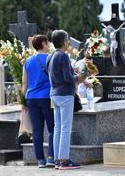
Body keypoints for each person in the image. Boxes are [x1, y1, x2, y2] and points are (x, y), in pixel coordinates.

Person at [47, 30, 84, 170]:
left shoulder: (50, 56)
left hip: (54, 94)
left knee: (57, 128)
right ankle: (64, 161)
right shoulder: (63, 56)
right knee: (65, 128)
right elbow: (67, 79)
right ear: (64, 42)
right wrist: (78, 78)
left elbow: (51, 73)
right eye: (67, 40)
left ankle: (57, 160)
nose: (68, 42)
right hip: (64, 94)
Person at [22, 35, 54, 168]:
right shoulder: (49, 59)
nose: (49, 45)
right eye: (47, 42)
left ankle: (40, 160)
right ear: (43, 43)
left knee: (37, 130)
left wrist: (26, 98)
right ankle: (51, 157)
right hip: (46, 97)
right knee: (52, 128)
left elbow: (24, 82)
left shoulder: (28, 61)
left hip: (31, 98)